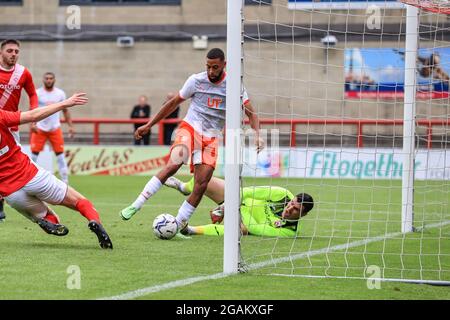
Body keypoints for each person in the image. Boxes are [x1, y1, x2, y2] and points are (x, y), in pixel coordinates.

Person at [120, 48, 264, 235]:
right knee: (174, 163)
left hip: (211, 137)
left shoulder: (234, 85)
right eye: (208, 66)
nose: (211, 71)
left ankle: (178, 226)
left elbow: (251, 112)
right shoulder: (196, 80)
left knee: (201, 184)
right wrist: (149, 125)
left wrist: (258, 134)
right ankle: (137, 204)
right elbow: (172, 104)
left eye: (215, 67)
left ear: (224, 65)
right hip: (190, 128)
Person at [0, 92, 113, 249]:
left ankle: (46, 221)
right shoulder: (1, 115)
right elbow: (33, 116)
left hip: (11, 192)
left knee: (49, 217)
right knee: (79, 201)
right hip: (32, 176)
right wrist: (63, 104)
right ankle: (94, 221)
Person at [165, 176, 314, 237]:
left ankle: (190, 230)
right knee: (207, 180)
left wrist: (235, 208)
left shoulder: (290, 231)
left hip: (244, 219)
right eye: (291, 204)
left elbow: (254, 228)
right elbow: (246, 192)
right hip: (236, 200)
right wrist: (227, 205)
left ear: (303, 215)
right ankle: (184, 187)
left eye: (296, 209)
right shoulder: (281, 194)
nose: (289, 208)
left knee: (242, 230)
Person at [0, 39, 39, 222]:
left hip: (12, 128)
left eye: (16, 51)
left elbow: (32, 94)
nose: (13, 54)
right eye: (9, 50)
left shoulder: (23, 73)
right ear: (2, 53)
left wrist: (33, 116)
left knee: (11, 165)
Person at [30, 72, 74, 184]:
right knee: (33, 156)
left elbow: (65, 110)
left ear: (54, 80)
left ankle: (65, 181)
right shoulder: (37, 93)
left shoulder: (60, 94)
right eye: (47, 78)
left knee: (60, 155)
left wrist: (70, 126)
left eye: (51, 78)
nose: (49, 80)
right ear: (43, 80)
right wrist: (32, 124)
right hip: (40, 128)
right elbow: (32, 110)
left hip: (55, 128)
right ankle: (29, 179)